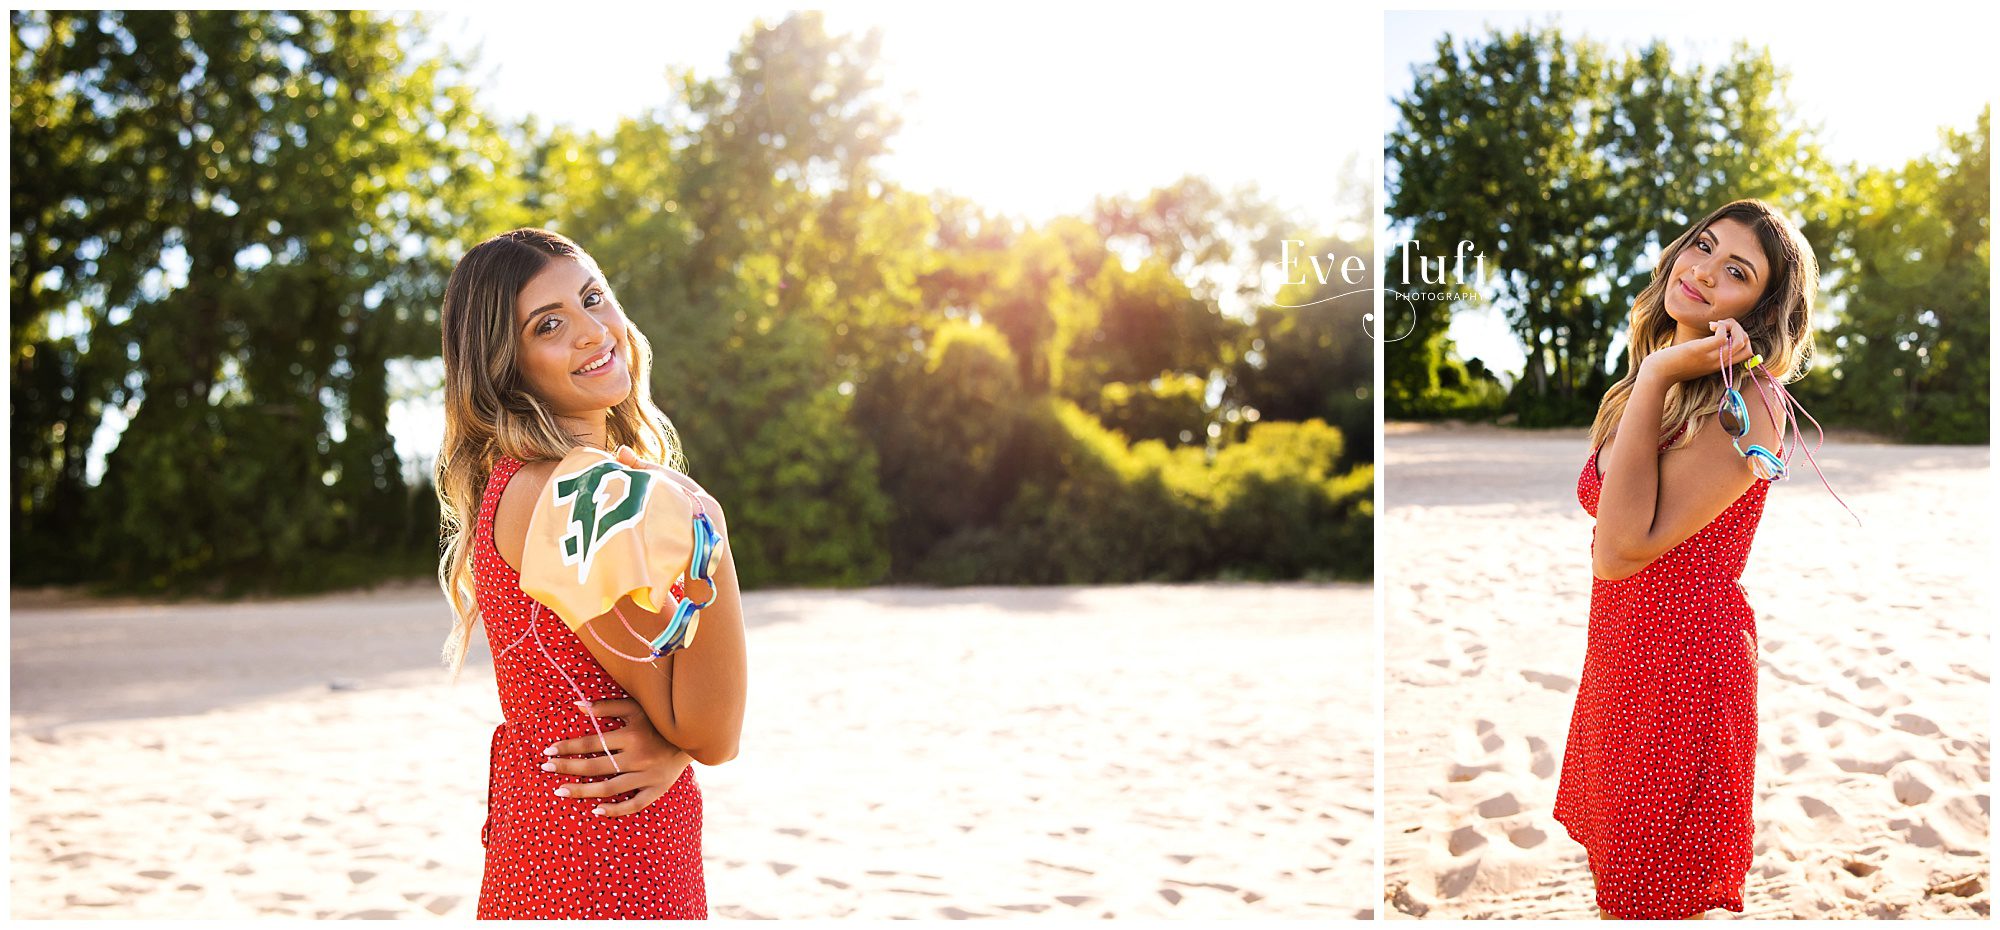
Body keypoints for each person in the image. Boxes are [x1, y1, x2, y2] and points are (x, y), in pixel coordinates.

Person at [433, 227, 748, 918]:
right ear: (505, 367)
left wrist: (671, 746)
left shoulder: (526, 484)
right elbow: (713, 731)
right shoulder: (572, 496)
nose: (591, 330)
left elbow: (672, 716)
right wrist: (708, 522)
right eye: (548, 325)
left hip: (552, 855)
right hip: (605, 869)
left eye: (593, 297)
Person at [1553, 199, 1823, 920]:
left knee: (1655, 900)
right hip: (1620, 658)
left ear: (1761, 312)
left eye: (1736, 271)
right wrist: (1655, 376)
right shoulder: (1647, 384)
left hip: (1685, 674)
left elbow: (1620, 551)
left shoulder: (1751, 401)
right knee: (1626, 892)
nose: (1702, 271)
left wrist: (1656, 377)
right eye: (1702, 246)